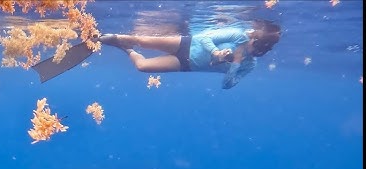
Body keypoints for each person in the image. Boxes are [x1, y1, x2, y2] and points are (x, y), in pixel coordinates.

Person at [99, 20, 281, 89]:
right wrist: (216, 52)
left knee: (142, 67)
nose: (250, 48)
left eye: (255, 51)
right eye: (252, 43)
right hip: (188, 43)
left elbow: (227, 85)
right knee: (142, 40)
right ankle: (109, 37)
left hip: (187, 64)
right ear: (254, 38)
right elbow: (204, 38)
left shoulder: (250, 65)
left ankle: (123, 47)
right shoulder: (237, 35)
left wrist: (235, 63)